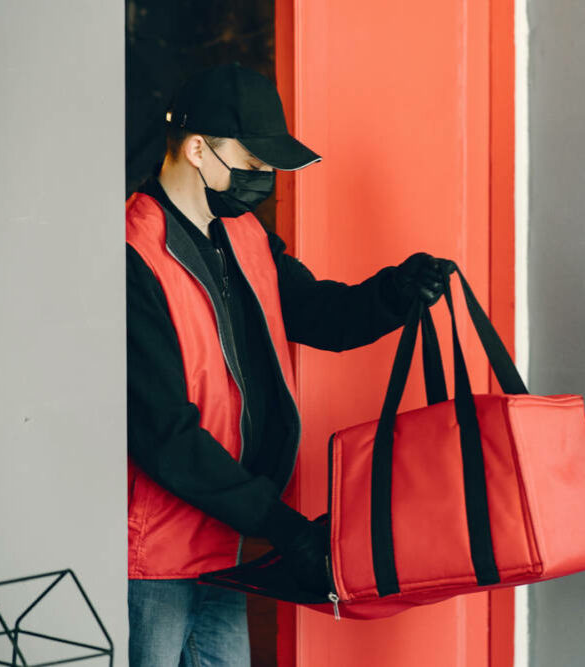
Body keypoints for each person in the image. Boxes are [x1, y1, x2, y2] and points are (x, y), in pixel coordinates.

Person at [126, 63, 453, 665]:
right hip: (157, 559)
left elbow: (317, 315)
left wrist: (395, 293)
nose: (264, 178)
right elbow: (163, 436)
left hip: (227, 545)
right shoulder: (133, 252)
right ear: (198, 149)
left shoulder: (243, 235)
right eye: (252, 163)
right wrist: (283, 527)